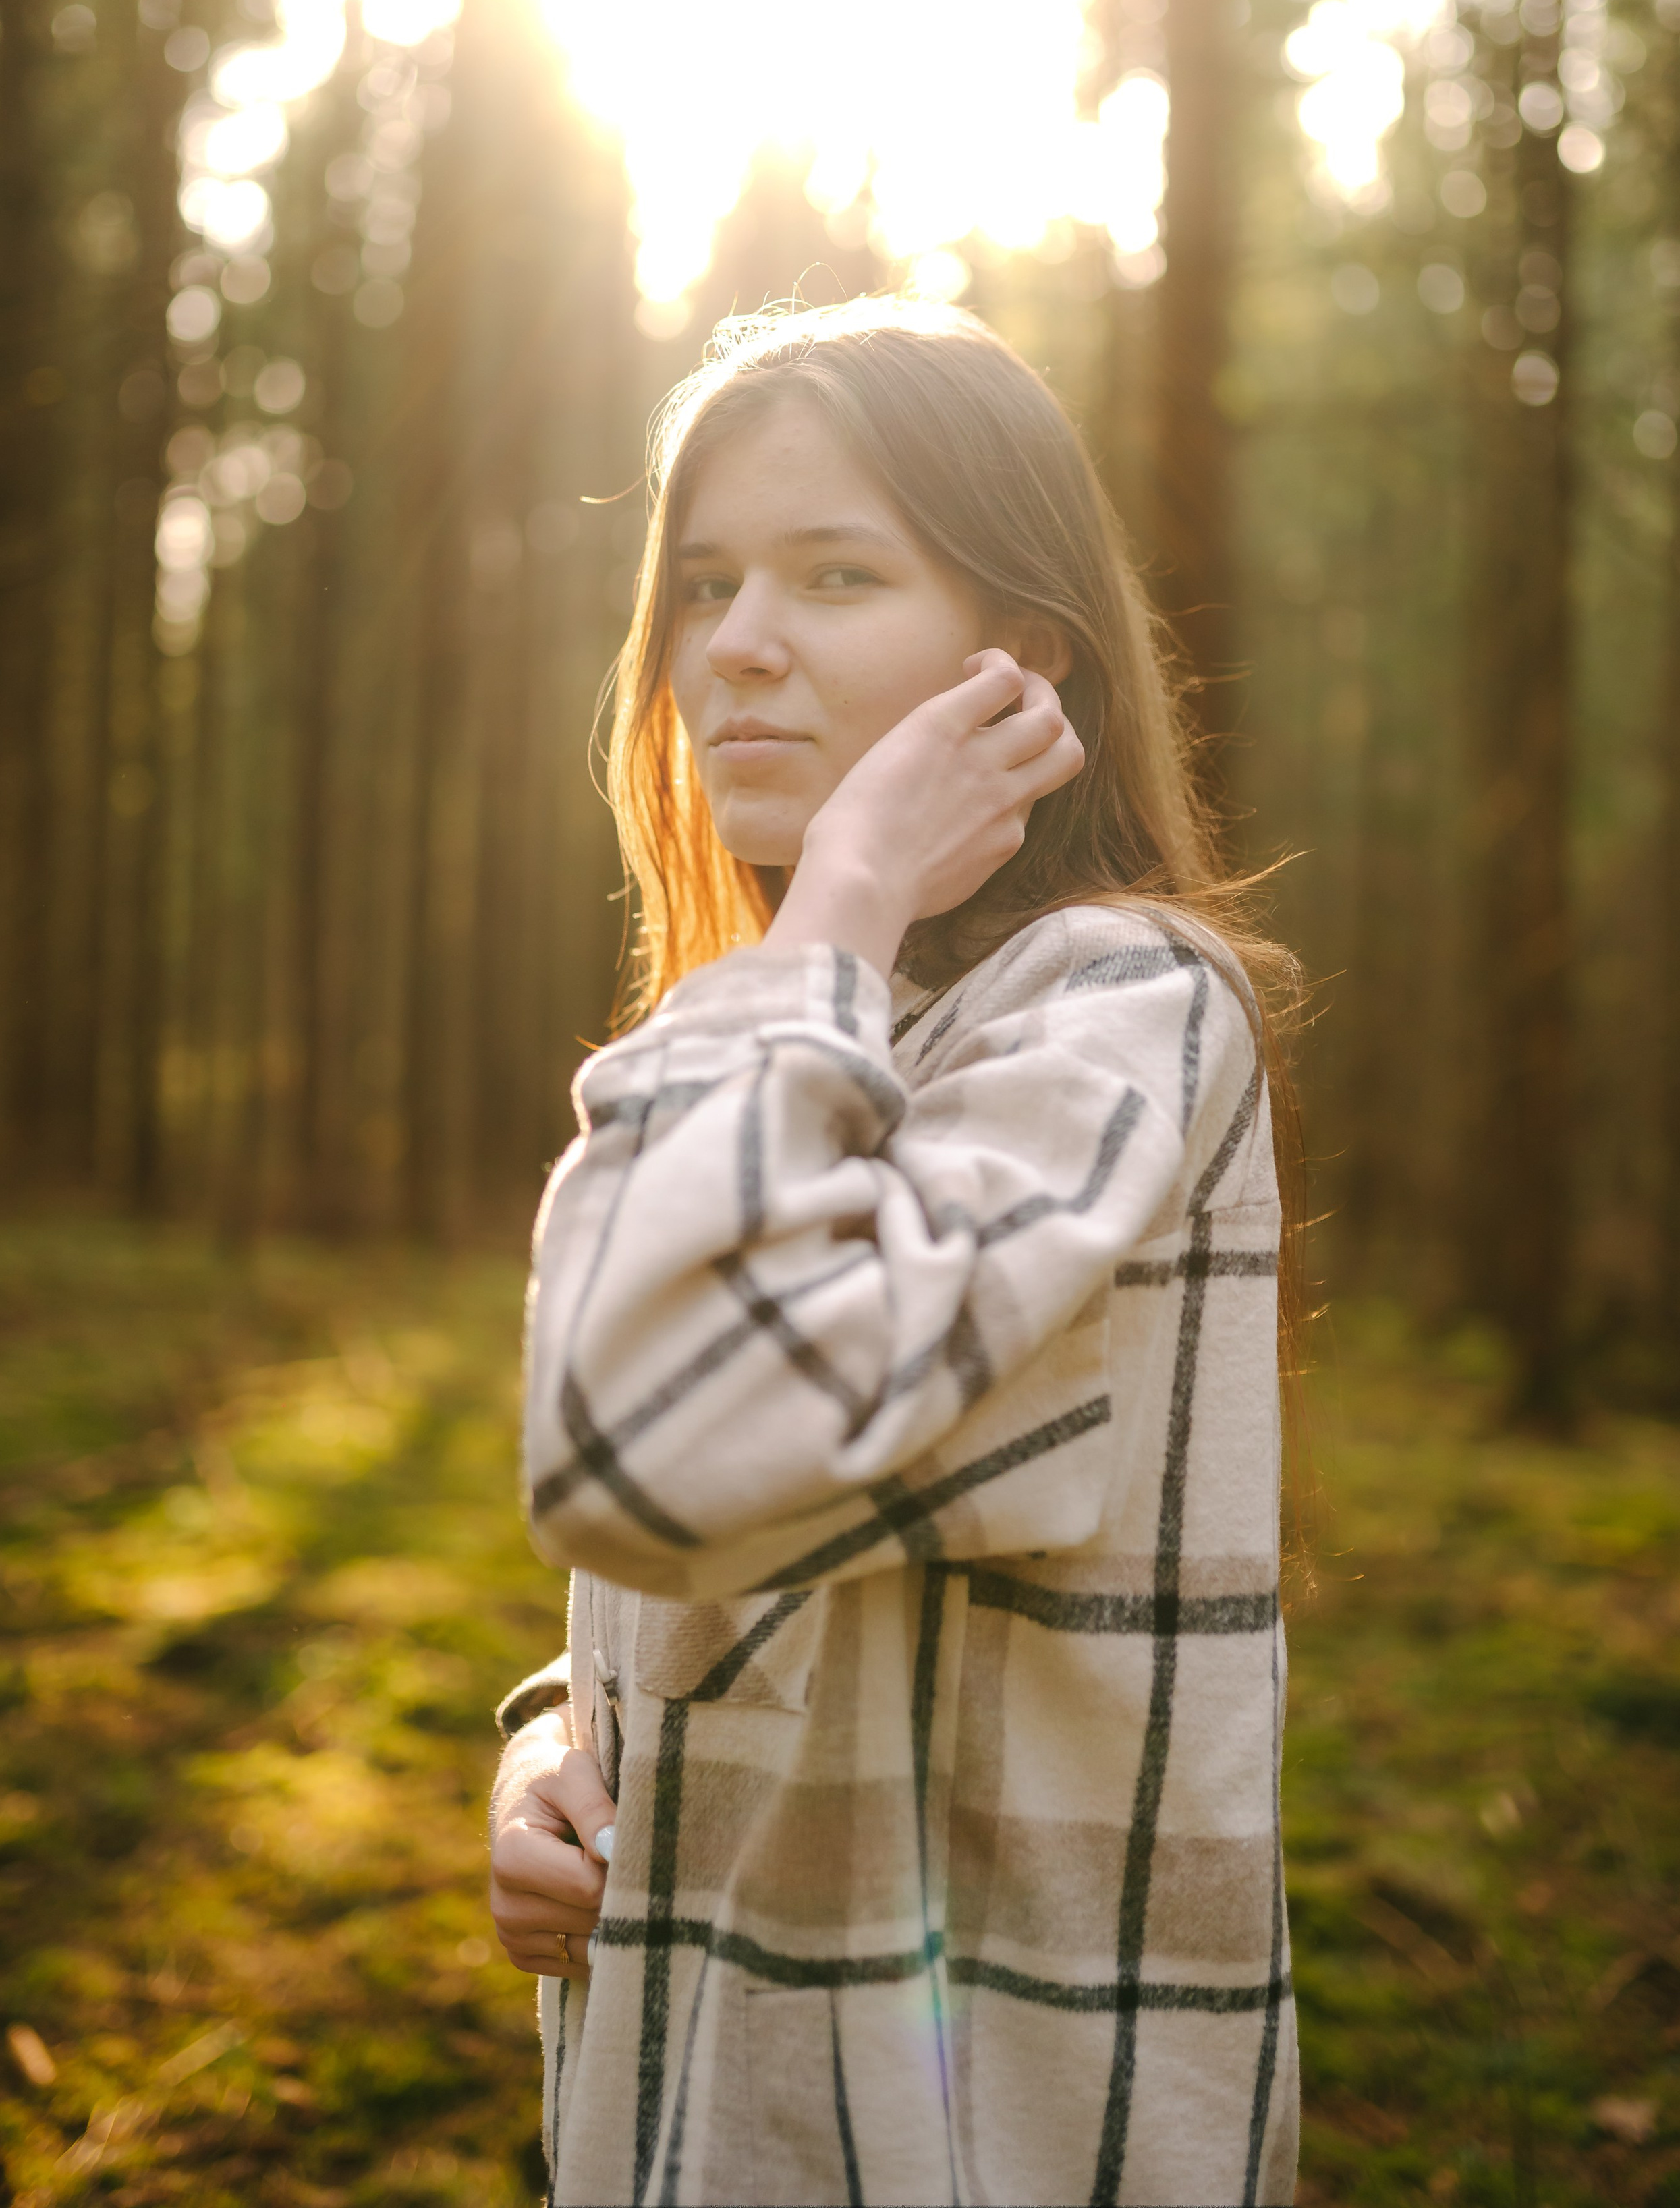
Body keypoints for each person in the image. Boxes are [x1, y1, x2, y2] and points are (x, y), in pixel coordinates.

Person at [487, 297, 1303, 2208]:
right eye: (702, 583)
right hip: (701, 2122)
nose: (736, 646)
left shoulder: (1115, 1021)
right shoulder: (799, 1033)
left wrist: (836, 905)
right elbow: (756, 1551)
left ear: (1017, 673)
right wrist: (547, 1743)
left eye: (836, 574)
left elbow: (642, 1445)